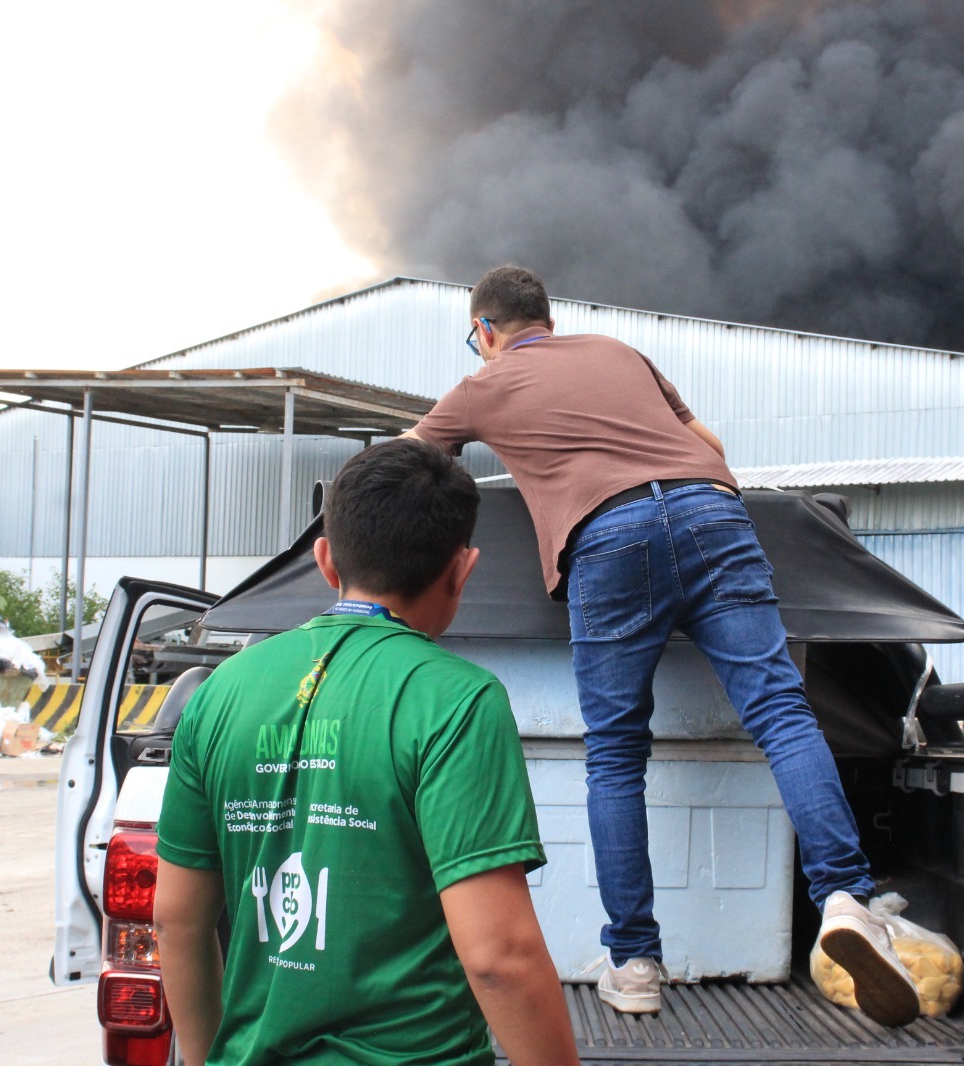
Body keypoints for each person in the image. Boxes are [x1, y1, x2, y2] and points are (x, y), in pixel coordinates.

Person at [403, 265, 921, 1027]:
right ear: (550, 316)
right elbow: (704, 441)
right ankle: (846, 898)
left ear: (484, 331)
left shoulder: (482, 384)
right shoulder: (618, 351)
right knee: (780, 711)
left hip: (607, 539)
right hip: (711, 508)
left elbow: (404, 464)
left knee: (615, 752)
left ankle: (636, 963)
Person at [153, 439, 581, 1066]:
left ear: (326, 560)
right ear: (463, 568)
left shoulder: (220, 692)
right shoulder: (456, 701)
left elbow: (176, 923)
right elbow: (498, 957)